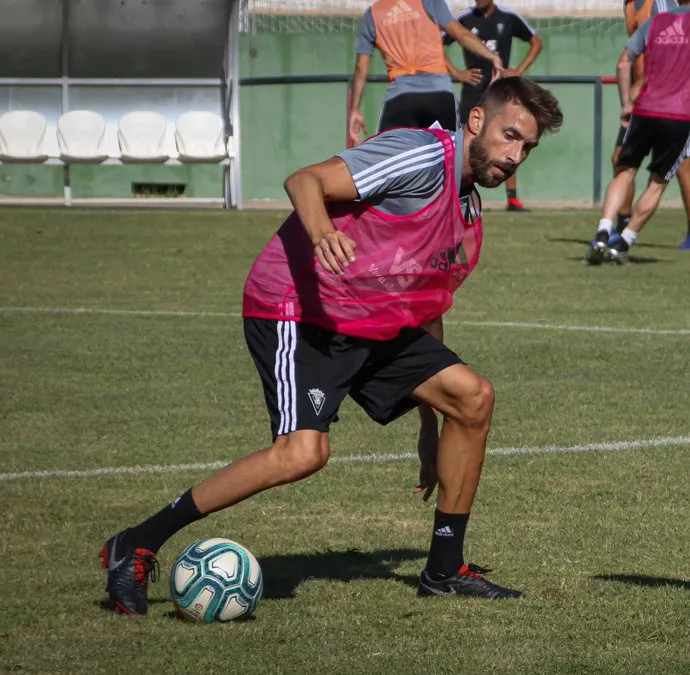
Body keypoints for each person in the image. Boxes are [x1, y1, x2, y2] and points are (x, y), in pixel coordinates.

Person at [100, 77, 563, 615]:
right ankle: (135, 542)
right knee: (301, 454)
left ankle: (444, 569)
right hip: (298, 309)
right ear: (477, 122)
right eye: (510, 136)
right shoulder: (417, 155)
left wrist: (428, 431)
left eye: (527, 146)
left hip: (370, 319)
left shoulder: (467, 212)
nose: (515, 155)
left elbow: (424, 310)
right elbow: (305, 181)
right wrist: (324, 235)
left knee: (471, 397)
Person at [587, 0, 690, 265]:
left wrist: (626, 103)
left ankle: (604, 229)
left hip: (645, 107)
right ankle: (625, 240)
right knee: (658, 181)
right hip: (680, 113)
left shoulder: (654, 22)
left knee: (625, 170)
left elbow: (622, 63)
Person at [615, 0, 690, 250]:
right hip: (642, 98)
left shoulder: (662, 4)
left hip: (667, 98)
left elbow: (675, 46)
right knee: (620, 160)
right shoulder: (629, 6)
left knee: (682, 164)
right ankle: (620, 226)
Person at [347, 0, 504, 146]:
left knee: (389, 164)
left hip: (401, 97)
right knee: (449, 161)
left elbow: (361, 68)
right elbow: (461, 35)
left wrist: (355, 109)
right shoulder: (429, 2)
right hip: (439, 96)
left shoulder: (373, 14)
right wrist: (492, 56)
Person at [444, 0, 544, 212]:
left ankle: (512, 198)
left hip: (500, 94)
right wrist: (457, 73)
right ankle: (458, 194)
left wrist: (518, 71)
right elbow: (437, 44)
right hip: (472, 94)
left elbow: (537, 42)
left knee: (511, 140)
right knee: (465, 141)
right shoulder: (464, 20)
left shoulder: (507, 18)